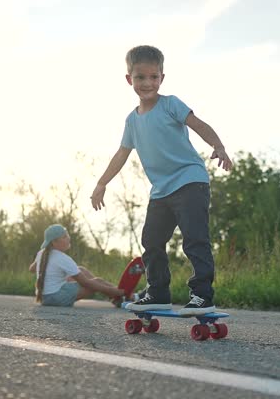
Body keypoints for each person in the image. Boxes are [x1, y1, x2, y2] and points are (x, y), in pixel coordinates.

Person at [90, 45, 233, 316]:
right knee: (151, 241)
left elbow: (198, 124)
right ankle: (158, 292)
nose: (147, 83)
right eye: (140, 77)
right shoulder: (132, 120)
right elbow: (122, 153)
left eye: (154, 77)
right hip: (161, 191)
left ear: (162, 78)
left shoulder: (170, 104)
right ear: (129, 79)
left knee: (194, 239)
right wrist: (101, 183)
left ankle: (202, 295)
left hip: (190, 181)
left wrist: (219, 146)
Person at [30, 224, 131, 307]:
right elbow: (86, 283)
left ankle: (115, 298)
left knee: (80, 269)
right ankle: (122, 294)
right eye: (64, 237)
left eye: (67, 235)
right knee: (97, 282)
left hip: (44, 297)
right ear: (54, 242)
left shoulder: (42, 254)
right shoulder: (62, 258)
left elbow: (32, 269)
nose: (69, 238)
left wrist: (56, 276)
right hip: (56, 298)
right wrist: (118, 291)